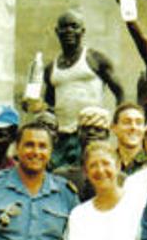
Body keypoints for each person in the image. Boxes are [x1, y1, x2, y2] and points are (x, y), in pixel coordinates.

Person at [42, 10, 124, 169]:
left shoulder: (95, 59)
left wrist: (115, 124)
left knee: (90, 174)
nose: (69, 31)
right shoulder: (51, 68)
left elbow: (120, 92)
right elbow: (49, 103)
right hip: (62, 136)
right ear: (57, 31)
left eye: (74, 26)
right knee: (57, 176)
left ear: (83, 31)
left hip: (91, 134)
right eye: (64, 27)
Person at [53, 106, 112, 201]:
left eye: (98, 129)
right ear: (78, 133)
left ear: (107, 134)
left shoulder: (118, 178)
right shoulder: (62, 176)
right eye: (86, 129)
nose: (91, 133)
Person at [112, 102, 147, 175]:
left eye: (139, 123)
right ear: (114, 128)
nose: (133, 127)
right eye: (127, 122)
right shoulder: (106, 163)